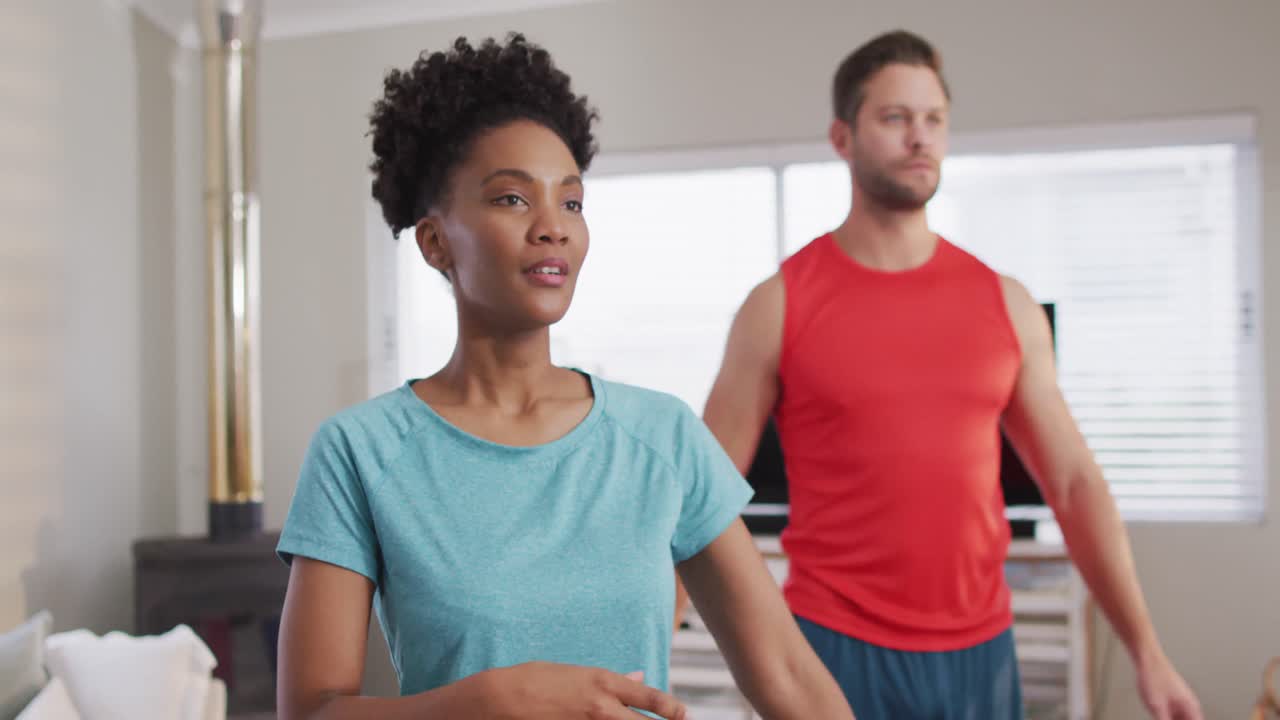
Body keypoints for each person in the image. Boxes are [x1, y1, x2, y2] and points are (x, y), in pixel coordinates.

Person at [273, 34, 855, 720]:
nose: (553, 227)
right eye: (513, 200)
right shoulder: (360, 451)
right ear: (435, 242)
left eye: (571, 203)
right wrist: (491, 699)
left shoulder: (662, 437)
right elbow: (310, 713)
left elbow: (789, 678)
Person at [686, 29, 1204, 720]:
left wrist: (1147, 651)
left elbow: (1075, 485)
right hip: (832, 647)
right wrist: (645, 646)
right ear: (842, 138)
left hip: (982, 652)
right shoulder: (778, 304)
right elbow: (701, 500)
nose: (919, 138)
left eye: (933, 120)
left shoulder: (1006, 304)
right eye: (895, 118)